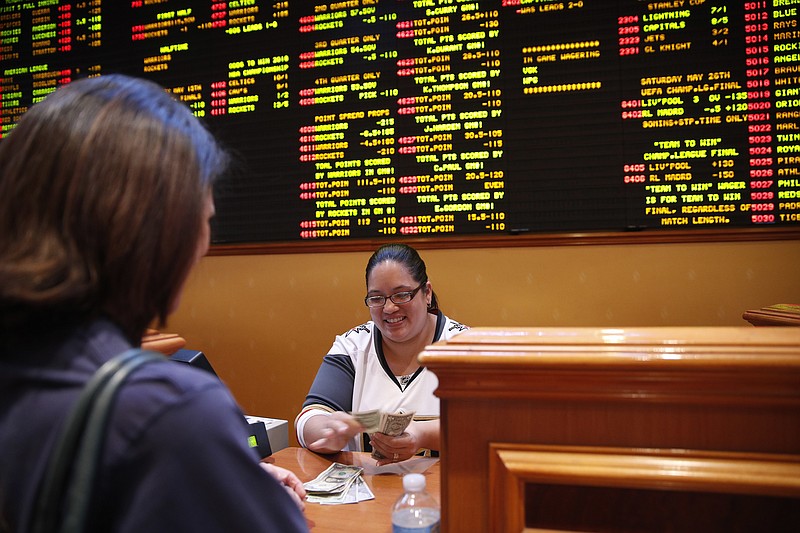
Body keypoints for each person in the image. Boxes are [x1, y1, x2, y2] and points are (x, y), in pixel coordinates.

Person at [0, 75, 308, 532]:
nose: (204, 244)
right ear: (159, 232)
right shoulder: (167, 411)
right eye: (202, 221)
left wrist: (209, 477)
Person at [295, 243, 468, 464]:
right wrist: (329, 430)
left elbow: (489, 425)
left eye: (401, 295)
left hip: (449, 490)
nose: (389, 308)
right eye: (377, 298)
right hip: (370, 493)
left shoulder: (464, 347)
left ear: (427, 293)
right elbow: (308, 417)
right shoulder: (352, 347)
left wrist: (422, 434)